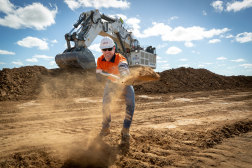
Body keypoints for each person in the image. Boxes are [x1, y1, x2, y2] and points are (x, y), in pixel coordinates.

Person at [96, 36, 135, 142]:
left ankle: (125, 130)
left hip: (124, 82)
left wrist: (124, 75)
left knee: (131, 103)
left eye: (109, 49)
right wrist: (112, 76)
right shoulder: (100, 60)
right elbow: (99, 74)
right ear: (101, 50)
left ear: (114, 48)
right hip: (111, 83)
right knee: (105, 104)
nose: (107, 52)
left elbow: (123, 67)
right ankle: (105, 128)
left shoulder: (120, 58)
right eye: (104, 49)